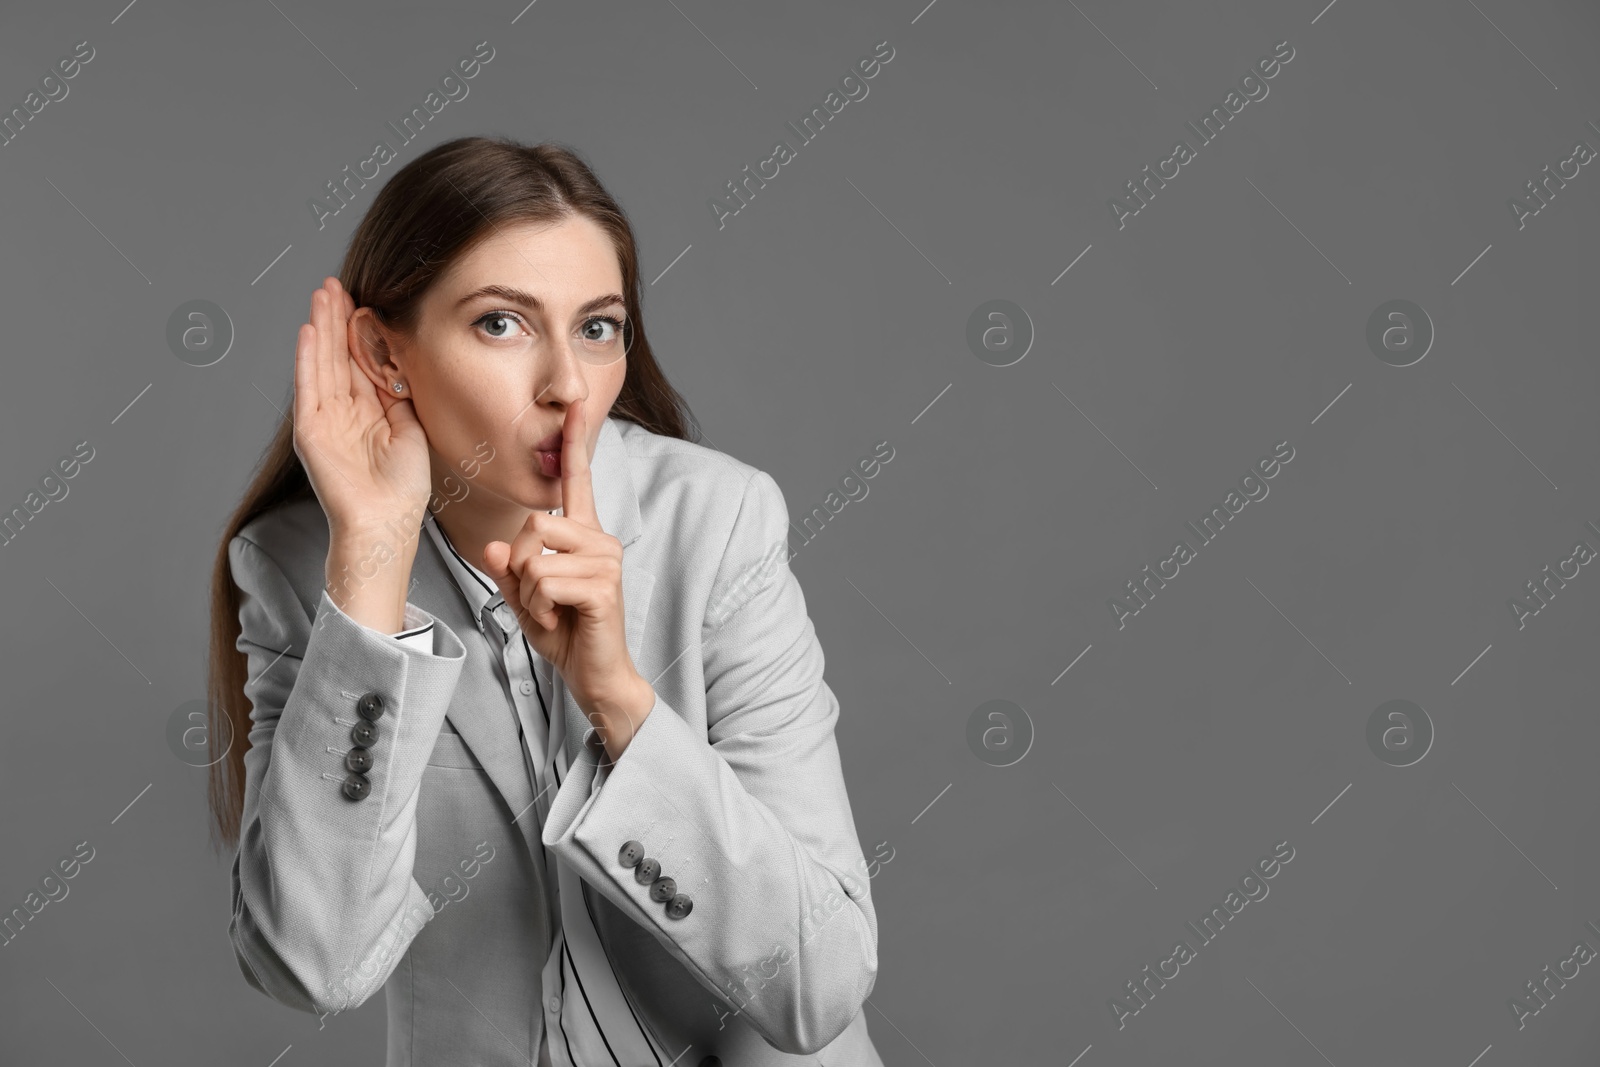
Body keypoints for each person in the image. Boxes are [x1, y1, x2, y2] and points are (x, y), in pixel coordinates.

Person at [203, 136, 886, 1066]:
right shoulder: (294, 564)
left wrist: (619, 699)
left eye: (598, 327)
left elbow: (821, 984)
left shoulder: (720, 522)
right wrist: (370, 568)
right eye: (502, 323)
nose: (568, 384)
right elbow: (311, 965)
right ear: (381, 351)